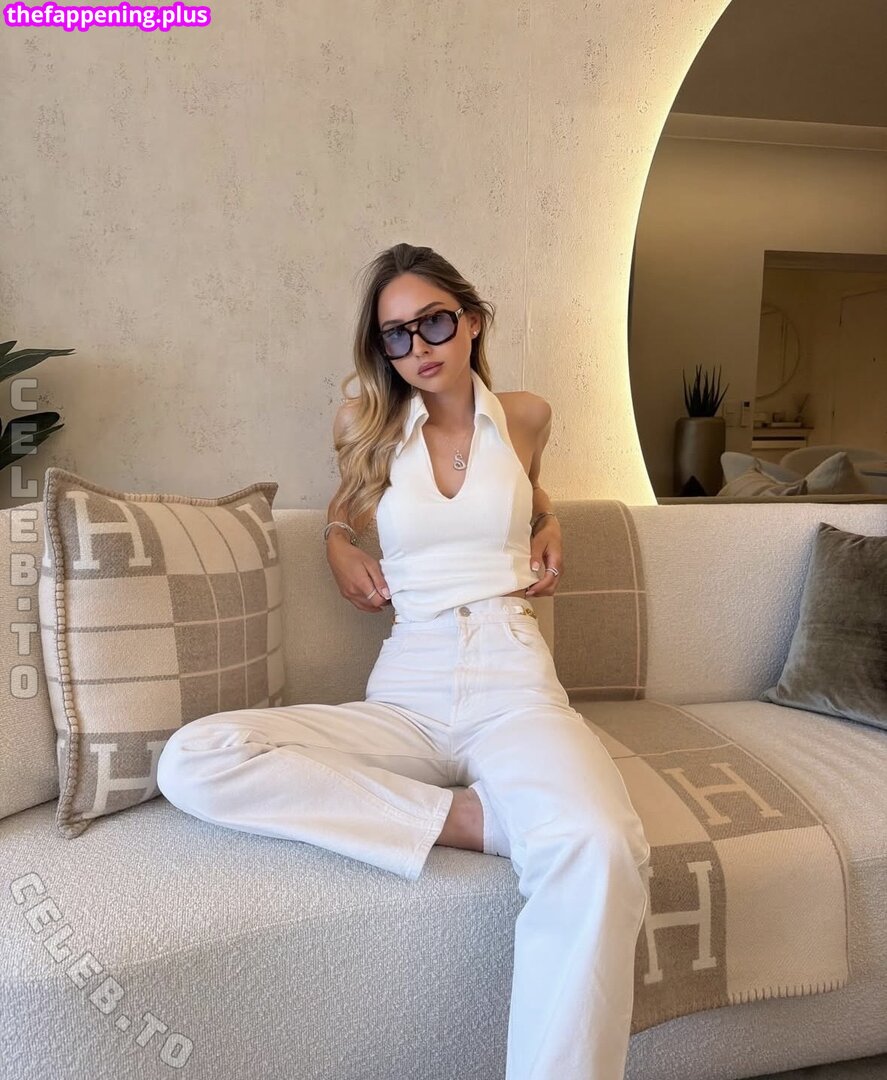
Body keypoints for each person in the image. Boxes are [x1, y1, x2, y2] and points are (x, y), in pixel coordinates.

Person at [156, 243, 651, 1080]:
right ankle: (473, 822)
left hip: (513, 683)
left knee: (602, 846)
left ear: (472, 321)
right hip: (407, 690)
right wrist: (335, 544)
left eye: (433, 323)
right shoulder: (365, 422)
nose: (417, 346)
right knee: (194, 757)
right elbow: (348, 506)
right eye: (395, 334)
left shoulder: (526, 415)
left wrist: (549, 522)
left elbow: (527, 488)